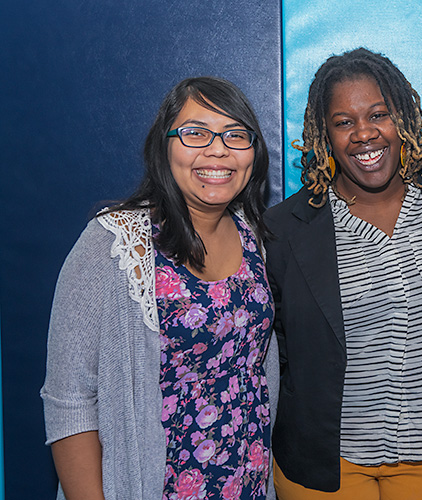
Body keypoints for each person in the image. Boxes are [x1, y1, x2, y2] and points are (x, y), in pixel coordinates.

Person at [41, 76, 278, 500]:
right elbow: (70, 399)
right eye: (195, 133)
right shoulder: (112, 243)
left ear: (253, 154)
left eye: (235, 135)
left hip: (249, 484)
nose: (217, 149)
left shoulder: (255, 235)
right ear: (163, 146)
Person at [263, 48, 422, 500]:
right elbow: (277, 350)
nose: (364, 133)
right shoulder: (285, 229)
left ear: (402, 117)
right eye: (344, 122)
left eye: (379, 114)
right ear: (324, 134)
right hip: (329, 463)